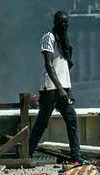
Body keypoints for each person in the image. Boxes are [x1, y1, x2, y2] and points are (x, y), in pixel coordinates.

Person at [28, 11, 79, 162]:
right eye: (62, 22)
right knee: (42, 122)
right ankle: (28, 152)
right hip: (50, 88)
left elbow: (64, 66)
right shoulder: (48, 37)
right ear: (55, 22)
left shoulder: (64, 41)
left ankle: (75, 156)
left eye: (66, 23)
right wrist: (60, 88)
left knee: (71, 119)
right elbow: (49, 65)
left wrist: (65, 89)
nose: (64, 25)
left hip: (64, 88)